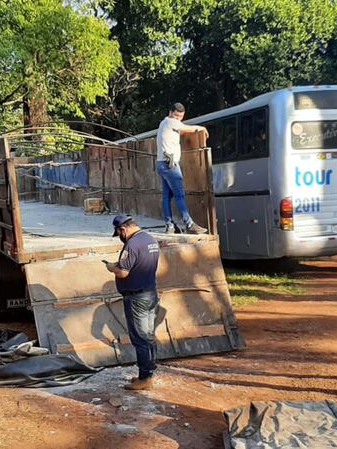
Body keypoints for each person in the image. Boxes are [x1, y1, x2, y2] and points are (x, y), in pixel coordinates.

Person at [104, 214, 161, 390]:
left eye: (119, 233)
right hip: (150, 294)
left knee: (140, 339)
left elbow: (123, 273)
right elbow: (137, 265)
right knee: (148, 336)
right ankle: (148, 372)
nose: (120, 238)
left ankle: (145, 378)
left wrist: (111, 267)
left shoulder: (133, 244)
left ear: (123, 229)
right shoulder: (150, 240)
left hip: (137, 298)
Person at [156, 102, 209, 234]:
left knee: (167, 196)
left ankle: (169, 226)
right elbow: (188, 128)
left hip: (162, 163)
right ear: (170, 113)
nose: (178, 118)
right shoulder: (170, 122)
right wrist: (202, 128)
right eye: (176, 115)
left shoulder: (163, 124)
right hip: (171, 164)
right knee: (180, 195)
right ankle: (189, 224)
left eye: (180, 116)